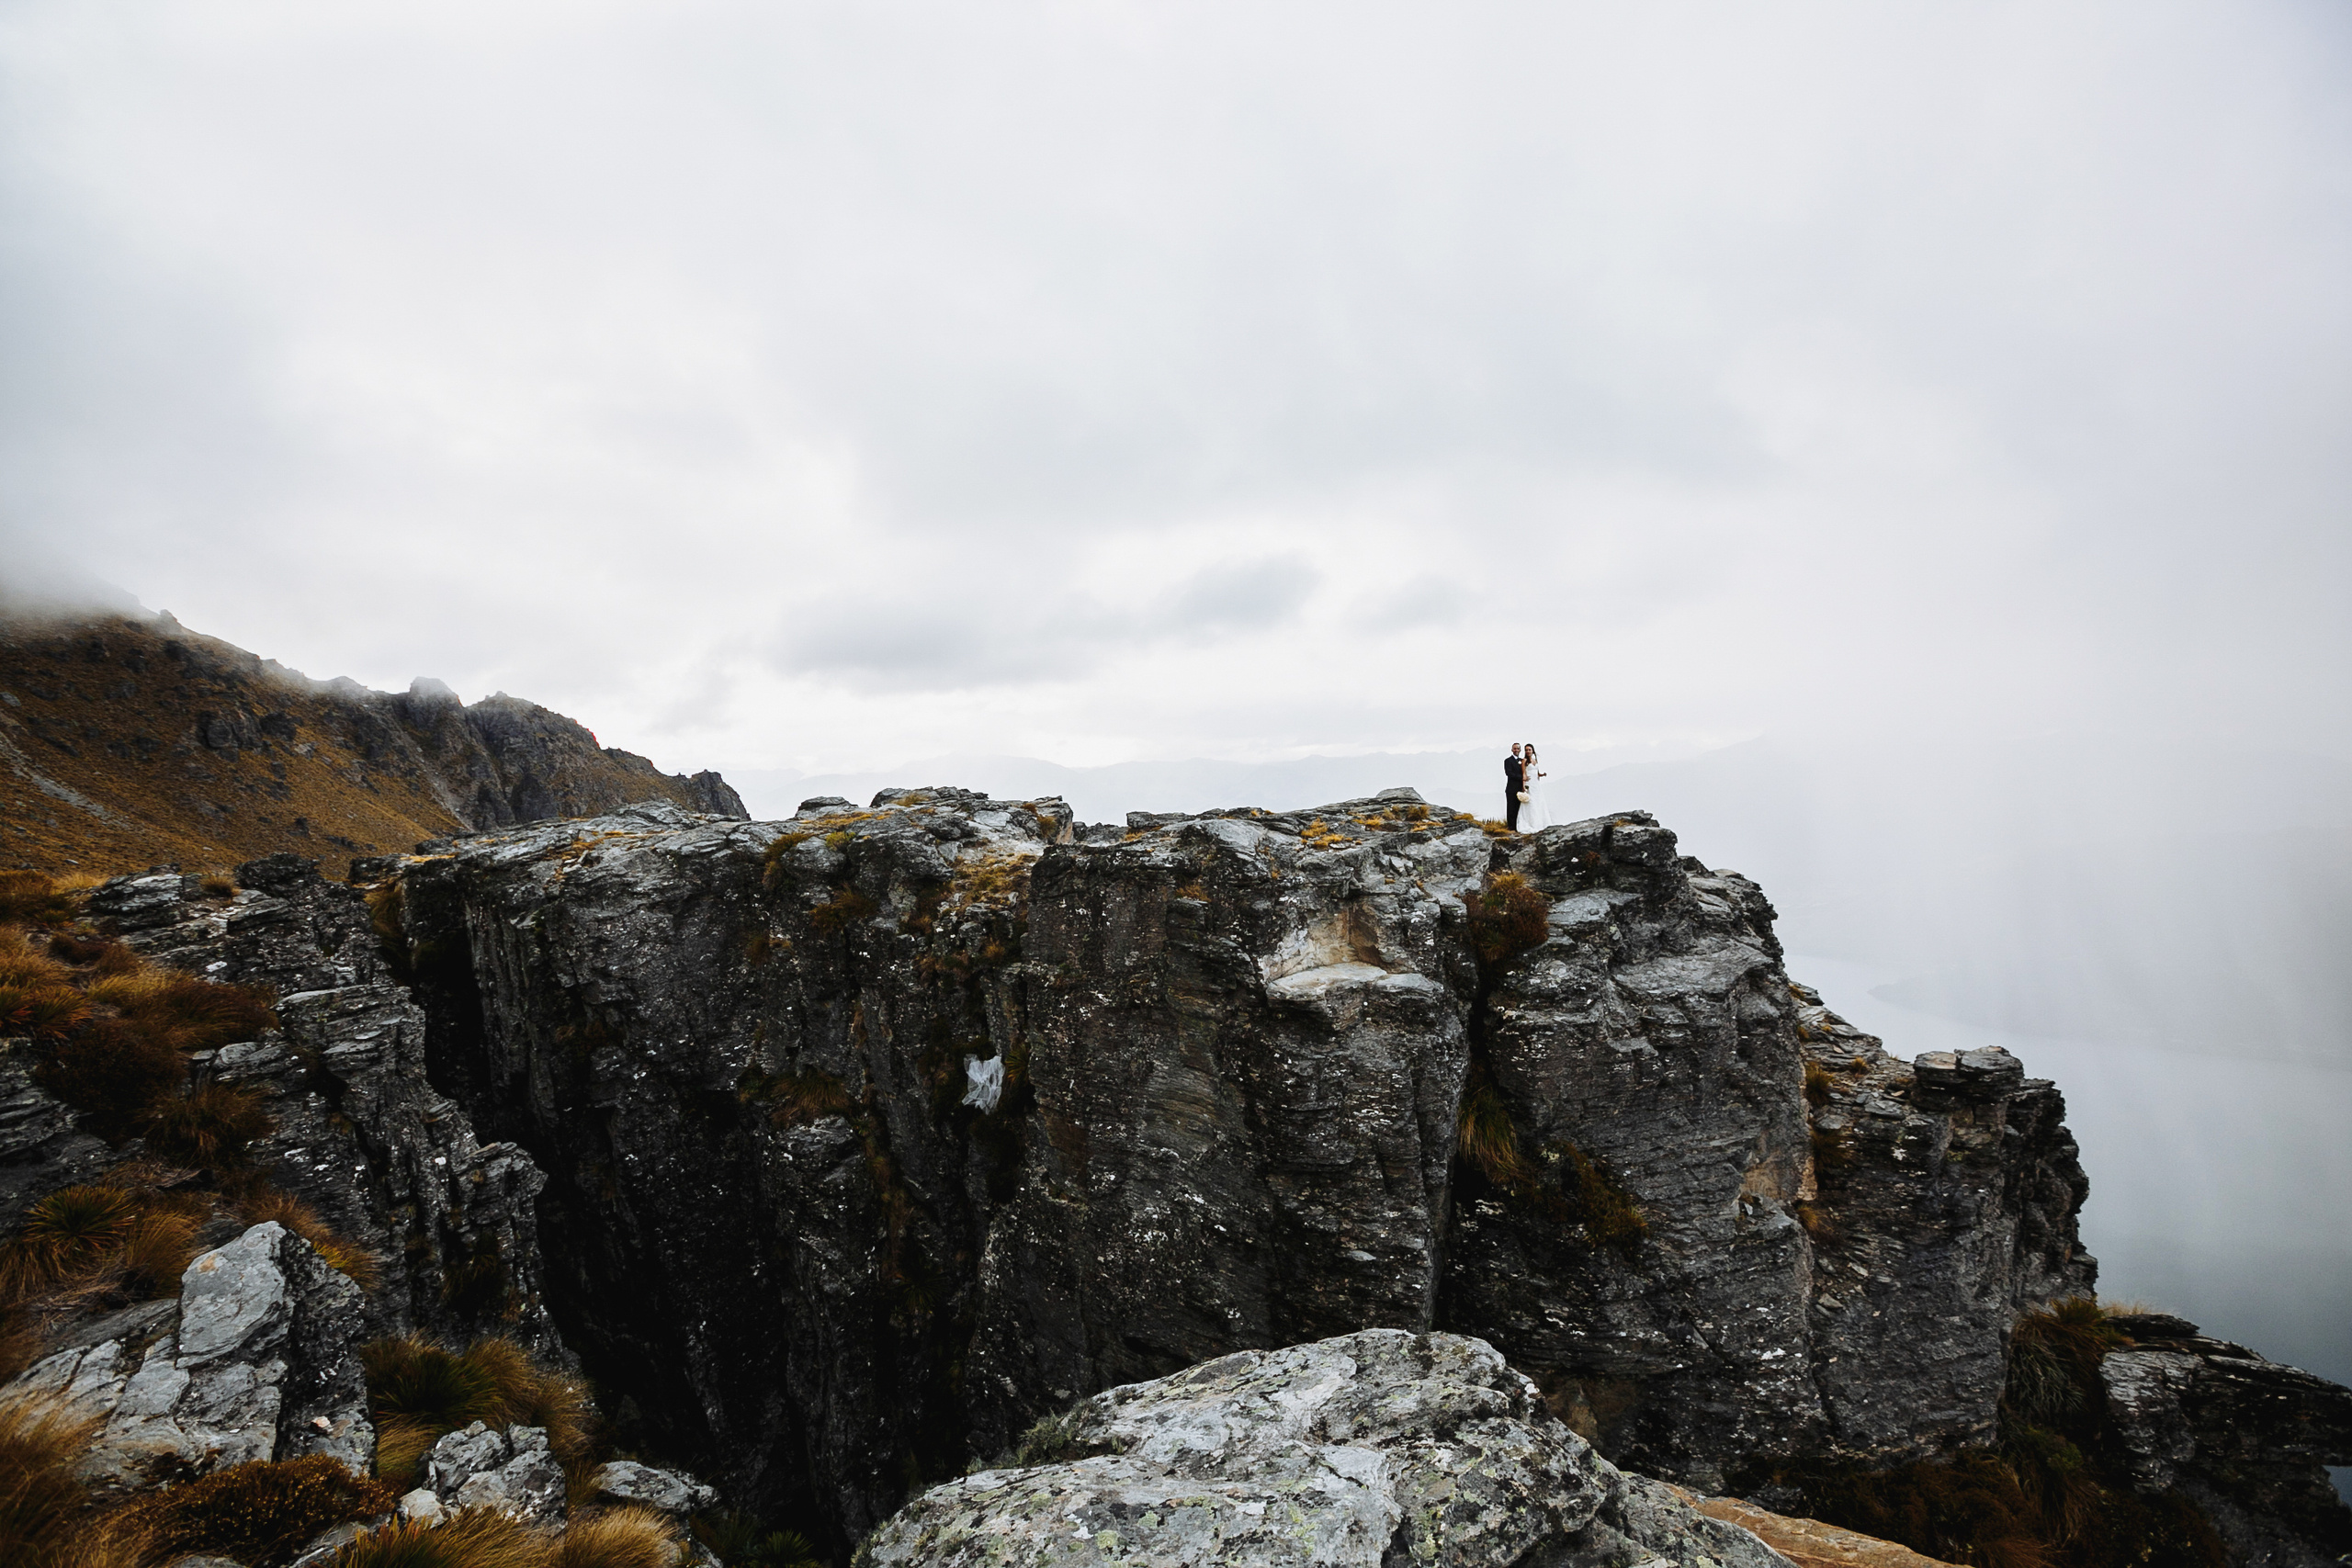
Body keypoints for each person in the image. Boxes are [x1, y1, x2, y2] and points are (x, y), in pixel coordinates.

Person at [1521, 742, 1548, 831]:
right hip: (1530, 784)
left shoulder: (1535, 760)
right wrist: (1524, 786)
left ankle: (1540, 822)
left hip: (1536, 784)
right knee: (1531, 803)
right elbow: (1524, 774)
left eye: (1529, 750)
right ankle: (1531, 823)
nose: (1528, 751)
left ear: (1533, 751)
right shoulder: (1524, 761)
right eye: (1526, 750)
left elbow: (1536, 772)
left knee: (1538, 802)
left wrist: (1542, 775)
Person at [1504, 743, 1525, 831]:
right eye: (1515, 749)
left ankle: (1518, 826)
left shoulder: (1522, 761)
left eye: (1518, 749)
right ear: (1512, 750)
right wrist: (1522, 777)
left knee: (1519, 808)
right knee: (1511, 808)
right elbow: (1509, 773)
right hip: (1511, 788)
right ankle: (1511, 827)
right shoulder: (1508, 761)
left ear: (1520, 750)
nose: (1516, 750)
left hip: (1520, 788)